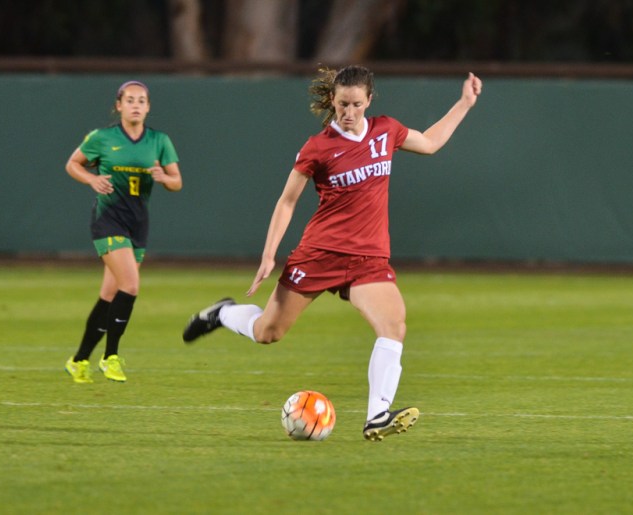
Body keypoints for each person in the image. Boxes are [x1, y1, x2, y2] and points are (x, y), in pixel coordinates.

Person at [183, 66, 481, 440]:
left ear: (369, 101)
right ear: (333, 101)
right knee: (268, 332)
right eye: (342, 104)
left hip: (368, 259)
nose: (349, 112)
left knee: (394, 325)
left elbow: (431, 142)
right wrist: (268, 255)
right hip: (319, 255)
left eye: (357, 104)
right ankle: (223, 313)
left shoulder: (386, 130)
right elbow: (287, 201)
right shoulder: (318, 147)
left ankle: (377, 417)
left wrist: (464, 103)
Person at [65, 80, 183, 384]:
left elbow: (177, 182)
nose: (135, 105)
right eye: (129, 100)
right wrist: (91, 180)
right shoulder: (101, 138)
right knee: (130, 285)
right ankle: (110, 357)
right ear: (118, 105)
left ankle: (78, 361)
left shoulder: (159, 141)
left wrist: (163, 177)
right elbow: (72, 165)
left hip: (137, 223)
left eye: (141, 101)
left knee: (109, 294)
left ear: (148, 107)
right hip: (108, 220)